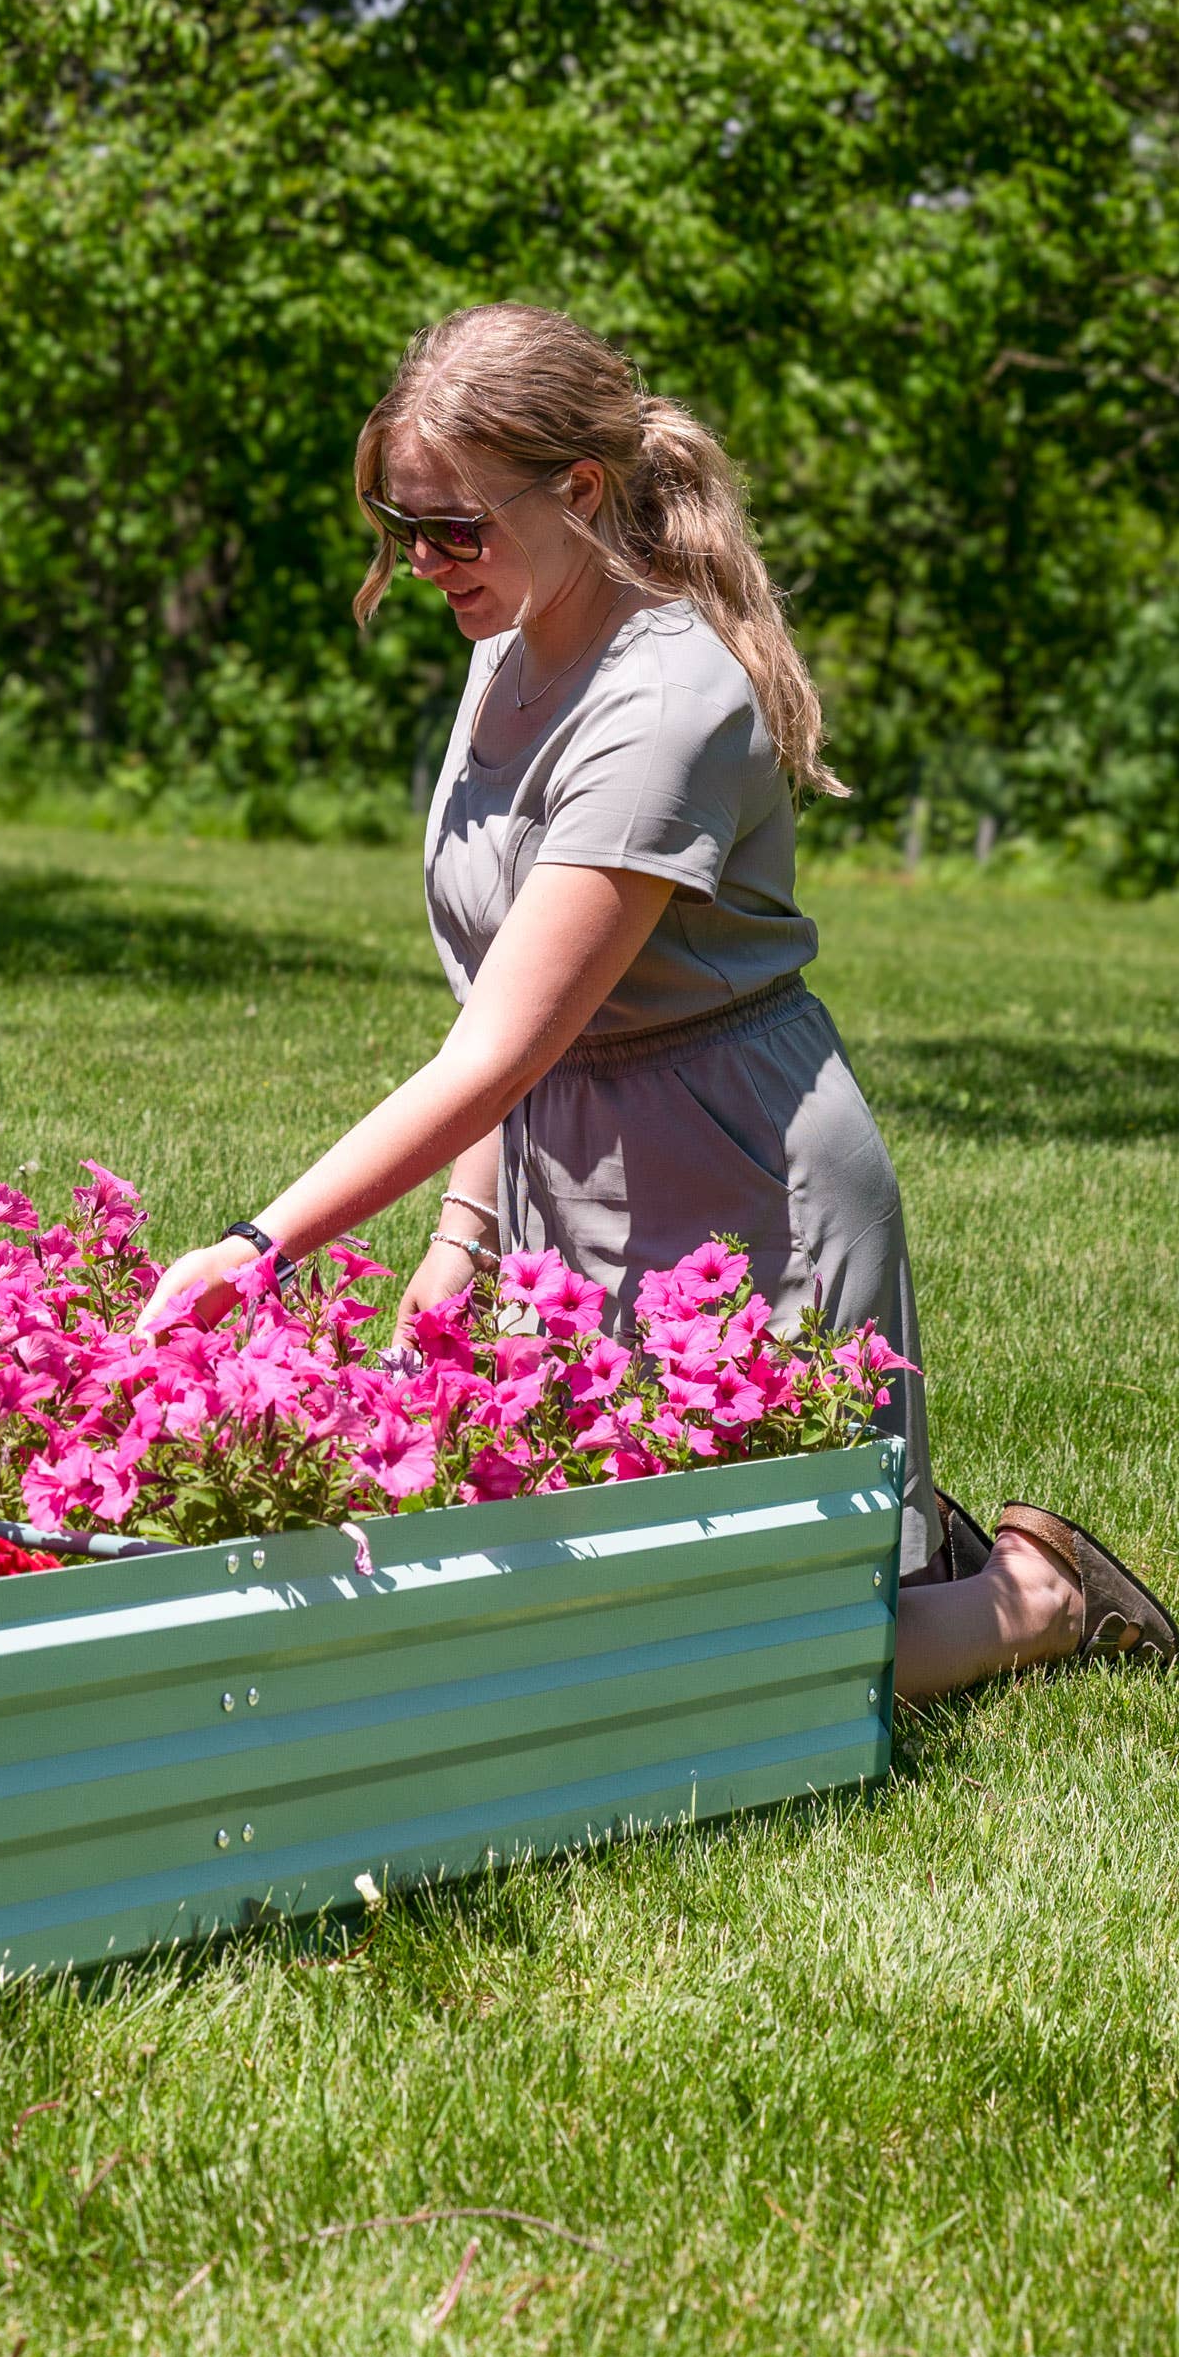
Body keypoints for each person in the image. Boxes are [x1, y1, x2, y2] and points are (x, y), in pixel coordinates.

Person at [134, 302, 1171, 1703]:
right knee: (540, 1617)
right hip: (570, 1161)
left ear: (577, 492)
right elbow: (507, 1005)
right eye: (399, 524)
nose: (426, 563)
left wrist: (255, 1248)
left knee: (716, 1671)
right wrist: (465, 1232)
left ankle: (1030, 1595)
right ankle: (905, 1569)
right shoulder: (507, 639)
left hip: (742, 1187)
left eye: (455, 529)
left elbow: (497, 1052)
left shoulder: (663, 703)